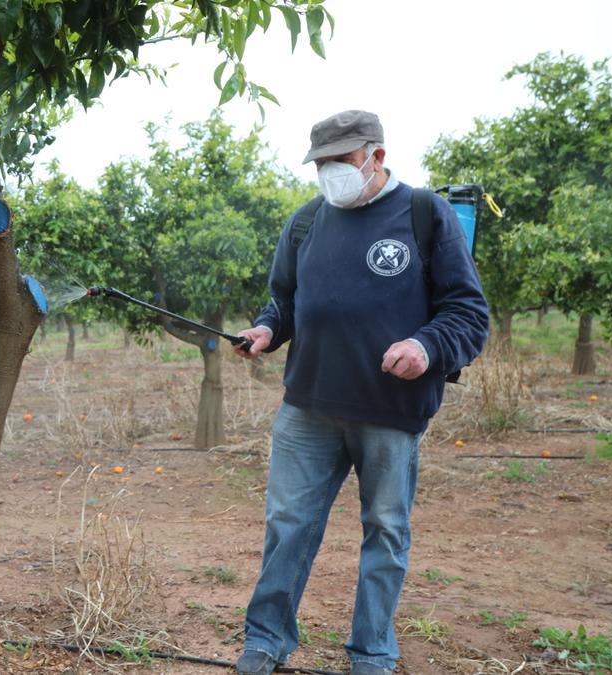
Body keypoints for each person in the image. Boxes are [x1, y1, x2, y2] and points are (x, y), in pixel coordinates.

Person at [231, 110, 489, 675]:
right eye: (320, 163)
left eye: (341, 161)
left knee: (386, 532)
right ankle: (265, 639)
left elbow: (468, 315)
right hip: (308, 410)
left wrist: (425, 347)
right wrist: (267, 329)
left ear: (376, 155)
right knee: (288, 526)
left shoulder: (425, 214)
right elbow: (284, 301)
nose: (329, 173)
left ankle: (372, 651)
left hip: (389, 413)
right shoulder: (305, 223)